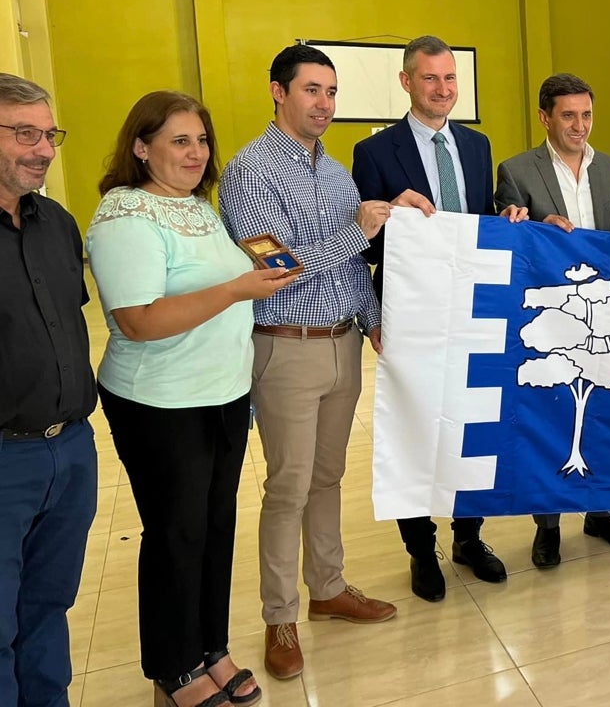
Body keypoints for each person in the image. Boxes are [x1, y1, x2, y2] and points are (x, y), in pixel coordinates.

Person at [86, 91, 296, 707]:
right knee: (176, 533)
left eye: (201, 140)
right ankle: (173, 667)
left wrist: (265, 271)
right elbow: (139, 320)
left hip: (223, 394)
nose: (196, 153)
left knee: (216, 526)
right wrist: (237, 289)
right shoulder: (126, 215)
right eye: (179, 141)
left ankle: (211, 646)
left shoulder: (199, 209)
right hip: (159, 402)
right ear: (140, 146)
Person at [219, 45, 396, 681]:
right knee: (288, 485)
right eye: (311, 91)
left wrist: (375, 324)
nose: (323, 104)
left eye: (330, 92)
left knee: (326, 476)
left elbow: (348, 269)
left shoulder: (336, 172)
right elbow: (274, 271)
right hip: (284, 345)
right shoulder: (249, 171)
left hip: (343, 342)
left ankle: (327, 588)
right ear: (278, 91)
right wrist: (360, 231)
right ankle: (280, 615)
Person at [352, 35, 526, 603]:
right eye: (430, 79)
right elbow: (365, 246)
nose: (442, 89)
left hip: (474, 310)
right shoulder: (375, 153)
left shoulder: (477, 147)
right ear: (406, 82)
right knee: (418, 427)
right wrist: (389, 219)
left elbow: (480, 225)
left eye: (450, 79)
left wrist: (507, 217)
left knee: (473, 421)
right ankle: (421, 550)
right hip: (414, 317)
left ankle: (469, 538)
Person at [495, 72, 610, 568]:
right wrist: (526, 224)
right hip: (553, 312)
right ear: (545, 117)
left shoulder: (609, 166)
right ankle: (547, 525)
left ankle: (600, 511)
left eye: (586, 114)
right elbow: (505, 228)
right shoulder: (517, 169)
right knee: (551, 412)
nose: (579, 125)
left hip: (601, 311)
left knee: (600, 410)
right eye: (569, 115)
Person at [0, 74, 97, 707]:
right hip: (5, 458)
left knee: (47, 602)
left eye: (49, 134)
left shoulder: (55, 223)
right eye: (23, 133)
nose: (43, 148)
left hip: (71, 449)